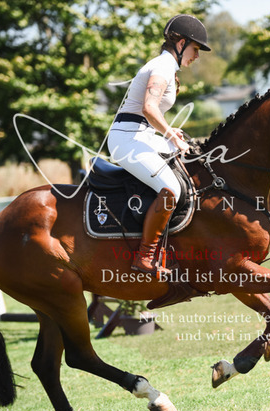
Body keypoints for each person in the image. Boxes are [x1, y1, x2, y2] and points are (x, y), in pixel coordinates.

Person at [107, 14, 211, 275]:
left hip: (139, 134)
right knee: (171, 188)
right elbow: (149, 108)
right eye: (196, 48)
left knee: (191, 159)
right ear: (181, 43)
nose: (197, 56)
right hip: (126, 139)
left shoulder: (167, 66)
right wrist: (170, 135)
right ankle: (145, 256)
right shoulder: (163, 67)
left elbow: (147, 115)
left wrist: (169, 132)